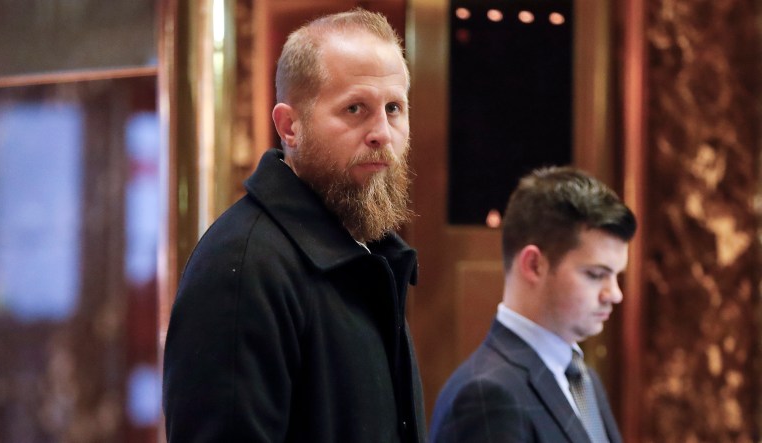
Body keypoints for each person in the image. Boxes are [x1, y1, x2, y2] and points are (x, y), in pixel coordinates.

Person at [162, 9, 426, 442]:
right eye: (355, 108)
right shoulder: (244, 267)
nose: (382, 132)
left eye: (394, 108)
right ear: (290, 126)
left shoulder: (369, 254)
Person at [429, 166, 637, 443]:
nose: (614, 294)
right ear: (534, 265)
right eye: (596, 275)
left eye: (616, 275)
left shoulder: (583, 378)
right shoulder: (486, 396)